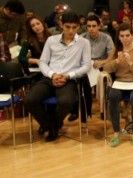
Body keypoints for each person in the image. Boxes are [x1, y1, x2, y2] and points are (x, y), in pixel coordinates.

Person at [25, 12, 91, 141]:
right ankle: (51, 126)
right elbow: (43, 62)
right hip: (50, 77)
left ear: (78, 26)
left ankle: (52, 126)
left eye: (74, 27)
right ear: (61, 25)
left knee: (66, 102)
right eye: (67, 27)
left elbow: (86, 66)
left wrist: (68, 75)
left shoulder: (84, 43)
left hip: (69, 79)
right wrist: (52, 74)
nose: (71, 30)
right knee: (29, 100)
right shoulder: (51, 40)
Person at [102, 23, 133, 147]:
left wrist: (131, 63)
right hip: (121, 82)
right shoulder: (116, 50)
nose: (125, 38)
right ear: (119, 37)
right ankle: (116, 132)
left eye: (127, 35)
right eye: (122, 36)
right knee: (113, 96)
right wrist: (116, 61)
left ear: (132, 36)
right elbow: (106, 68)